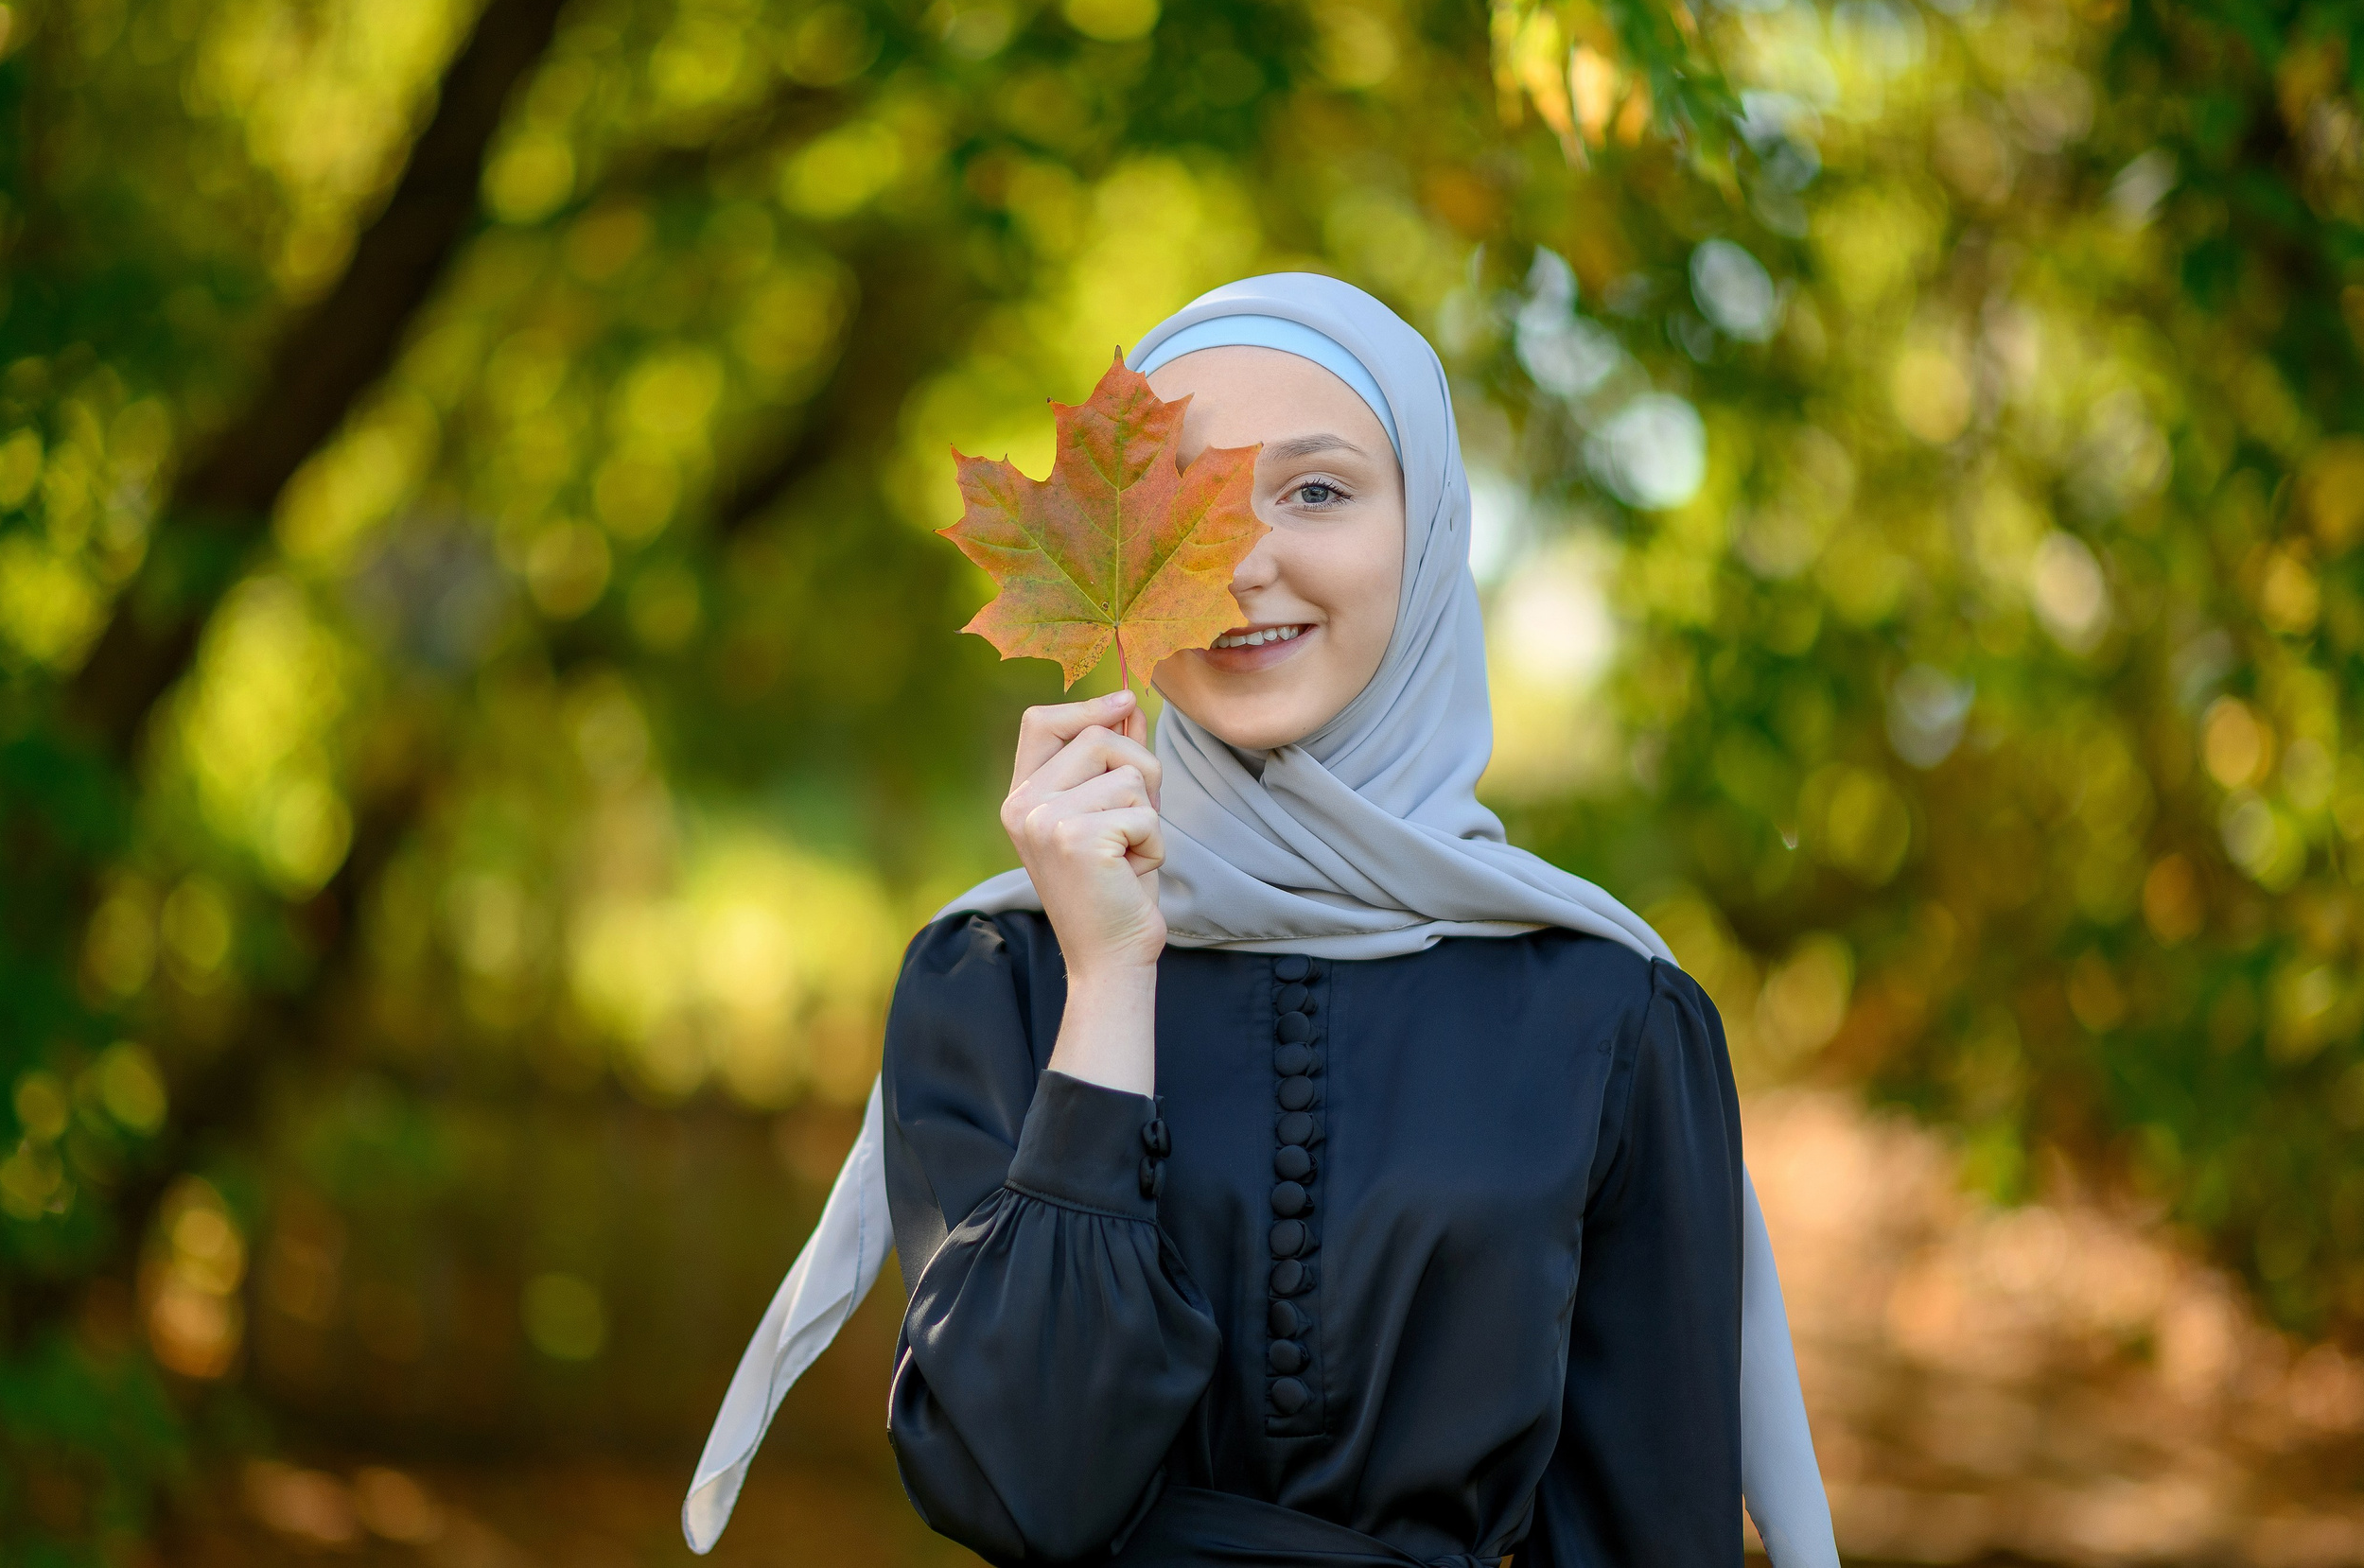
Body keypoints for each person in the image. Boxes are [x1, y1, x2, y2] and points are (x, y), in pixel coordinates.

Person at [682, 274, 1838, 1568]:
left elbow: (1646, 1532)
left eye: (1318, 490)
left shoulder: (1611, 1011)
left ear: (1431, 532)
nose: (1242, 558)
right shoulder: (993, 976)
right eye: (1187, 503)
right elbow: (1028, 1484)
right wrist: (1111, 973)